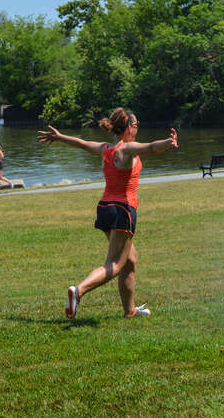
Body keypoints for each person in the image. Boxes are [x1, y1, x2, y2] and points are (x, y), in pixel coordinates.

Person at [37, 108, 178, 319]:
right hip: (123, 209)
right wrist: (169, 142)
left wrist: (59, 137)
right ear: (128, 127)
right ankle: (79, 291)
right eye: (136, 125)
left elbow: (81, 143)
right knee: (114, 264)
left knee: (130, 259)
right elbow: (150, 147)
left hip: (105, 208)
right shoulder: (128, 149)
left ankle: (129, 310)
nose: (137, 128)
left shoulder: (106, 149)